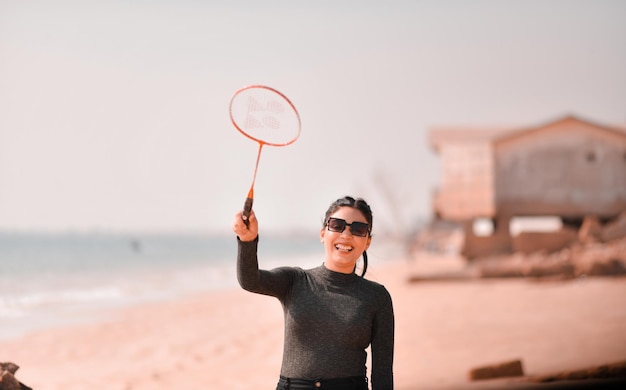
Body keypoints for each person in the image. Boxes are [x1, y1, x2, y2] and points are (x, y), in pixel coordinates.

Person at [232, 196, 394, 390]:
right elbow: (250, 280)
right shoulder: (294, 280)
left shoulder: (377, 297)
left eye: (358, 229)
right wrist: (247, 240)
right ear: (323, 233)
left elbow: (382, 374)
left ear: (367, 241)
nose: (346, 234)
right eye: (337, 225)